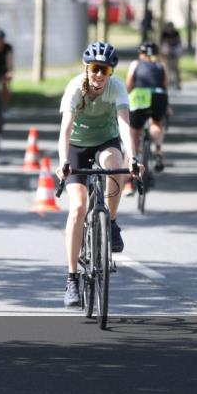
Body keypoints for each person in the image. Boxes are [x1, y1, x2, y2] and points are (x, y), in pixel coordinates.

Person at [56, 42, 140, 308]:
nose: (99, 75)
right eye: (95, 69)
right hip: (77, 146)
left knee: (116, 165)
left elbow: (125, 126)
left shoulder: (116, 88)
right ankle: (72, 279)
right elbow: (65, 130)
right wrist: (62, 163)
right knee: (78, 208)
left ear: (111, 72)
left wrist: (134, 157)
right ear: (87, 68)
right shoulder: (74, 88)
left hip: (106, 140)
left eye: (105, 70)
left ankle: (111, 221)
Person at [124, 41, 170, 194]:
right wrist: (167, 106)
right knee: (156, 123)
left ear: (141, 53)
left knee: (133, 134)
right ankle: (158, 150)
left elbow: (129, 85)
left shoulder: (135, 64)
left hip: (140, 96)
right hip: (159, 95)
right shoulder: (161, 65)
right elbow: (165, 84)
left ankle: (128, 182)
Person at [159, 21, 182, 90]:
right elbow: (163, 44)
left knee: (176, 68)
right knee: (166, 67)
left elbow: (178, 42)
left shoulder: (176, 33)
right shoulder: (164, 34)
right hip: (167, 50)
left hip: (175, 49)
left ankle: (178, 83)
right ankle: (167, 82)